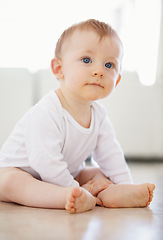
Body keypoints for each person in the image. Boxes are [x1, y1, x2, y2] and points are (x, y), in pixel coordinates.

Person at [0, 19, 155, 213]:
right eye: (87, 60)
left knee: (99, 173)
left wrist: (125, 184)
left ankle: (112, 194)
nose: (99, 71)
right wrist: (72, 187)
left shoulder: (99, 115)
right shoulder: (47, 111)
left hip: (66, 173)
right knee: (13, 182)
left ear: (117, 80)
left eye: (109, 65)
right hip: (22, 172)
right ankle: (71, 195)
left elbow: (111, 155)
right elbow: (44, 160)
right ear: (59, 68)